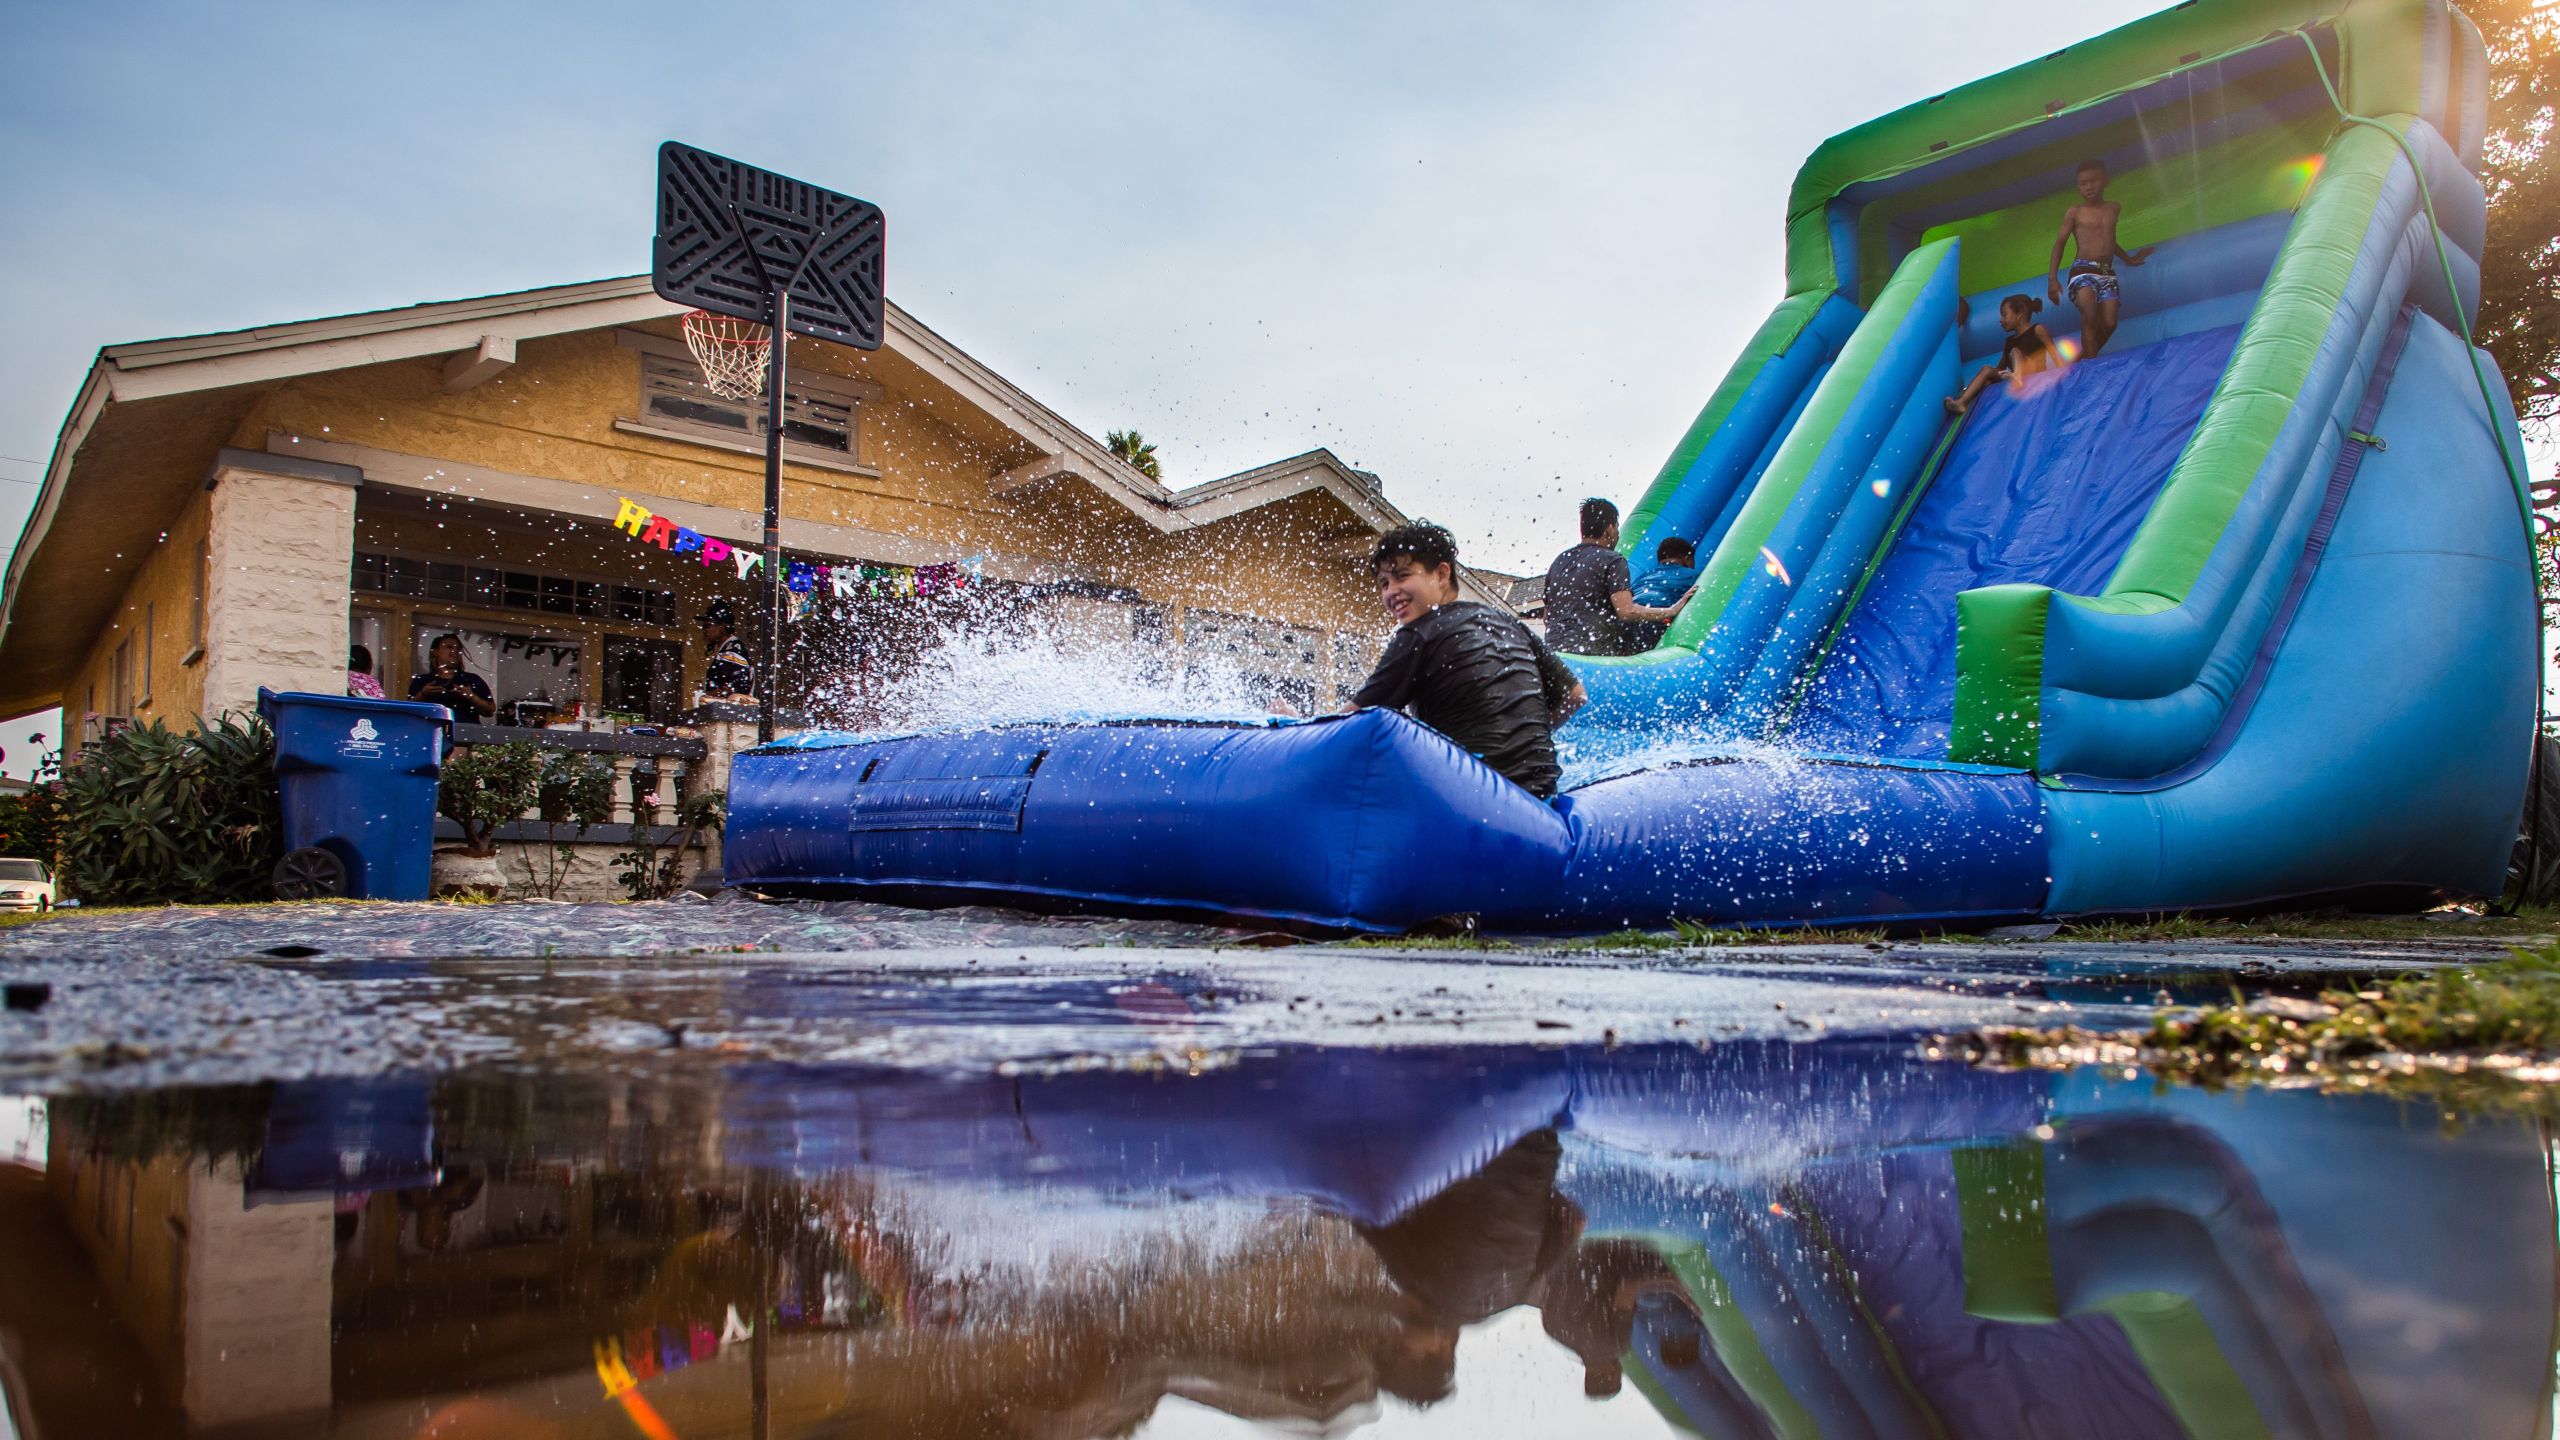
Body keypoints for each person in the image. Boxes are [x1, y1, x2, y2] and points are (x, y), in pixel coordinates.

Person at [1349, 523, 1585, 798]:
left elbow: (1352, 722)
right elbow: (1576, 695)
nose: (1391, 592)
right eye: (1384, 583)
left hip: (1473, 801)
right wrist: (1520, 738)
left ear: (1441, 574)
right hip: (1540, 795)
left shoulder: (1418, 633)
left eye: (1402, 576)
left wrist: (1298, 726)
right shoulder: (1509, 623)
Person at [1542, 499, 1690, 656]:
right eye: (1617, 527)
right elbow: (1626, 611)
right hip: (1592, 654)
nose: (1618, 534)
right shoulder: (1612, 560)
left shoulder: (1560, 560)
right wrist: (1670, 611)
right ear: (1609, 529)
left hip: (1555, 652)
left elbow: (1547, 616)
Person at [2046, 158, 2156, 358]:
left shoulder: (2113, 208)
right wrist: (2052, 279)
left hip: (2106, 272)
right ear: (2078, 187)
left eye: (2094, 181)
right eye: (2083, 183)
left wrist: (2129, 259)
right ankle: (2090, 367)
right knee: (2089, 315)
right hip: (2083, 270)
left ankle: (2084, 358)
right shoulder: (2075, 212)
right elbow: (2059, 244)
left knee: (2109, 323)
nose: (2089, 187)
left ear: (2106, 181)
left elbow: (2109, 241)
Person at [1946, 295, 2068, 414]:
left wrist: (2064, 375)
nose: (2000, 320)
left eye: (2004, 315)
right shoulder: (2009, 341)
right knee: (1986, 370)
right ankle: (1962, 402)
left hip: (2033, 374)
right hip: (2014, 376)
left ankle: (2017, 378)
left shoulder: (2037, 329)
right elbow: (2000, 368)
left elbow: (2054, 353)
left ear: (2020, 314)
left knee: (2015, 351)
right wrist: (1990, 378)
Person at [1623, 537, 1700, 650]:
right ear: (1687, 559)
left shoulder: (1644, 577)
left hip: (1631, 618)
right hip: (1658, 619)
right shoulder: (1692, 575)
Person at [407, 633, 495, 721]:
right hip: (430, 732)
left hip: (464, 733)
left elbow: (490, 710)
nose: (455, 651)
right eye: (449, 647)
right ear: (435, 652)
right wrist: (423, 694)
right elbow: (407, 711)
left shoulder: (472, 680)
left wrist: (472, 697)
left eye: (458, 649)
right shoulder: (422, 680)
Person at [699, 600, 755, 699]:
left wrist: (708, 695)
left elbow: (738, 688)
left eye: (707, 626)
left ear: (721, 627)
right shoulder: (729, 648)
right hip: (726, 711)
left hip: (730, 711)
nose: (704, 630)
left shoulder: (731, 651)